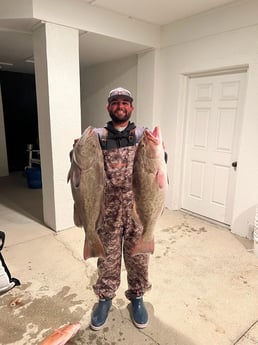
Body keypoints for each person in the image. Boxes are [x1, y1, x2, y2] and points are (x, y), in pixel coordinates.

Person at [90, 87, 152, 331]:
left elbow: (160, 161)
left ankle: (137, 296)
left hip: (138, 209)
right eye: (115, 102)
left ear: (131, 107)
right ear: (108, 107)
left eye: (125, 102)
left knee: (138, 258)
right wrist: (76, 148)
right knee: (107, 259)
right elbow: (79, 159)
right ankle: (105, 298)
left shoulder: (142, 136)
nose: (120, 106)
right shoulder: (98, 137)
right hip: (108, 212)